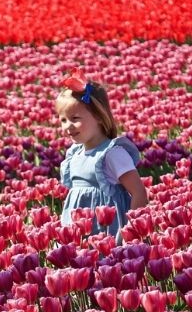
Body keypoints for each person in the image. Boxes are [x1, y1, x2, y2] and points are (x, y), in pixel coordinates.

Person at [57, 69, 148, 239]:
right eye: (63, 119)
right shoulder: (74, 156)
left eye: (75, 118)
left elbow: (139, 193)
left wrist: (129, 233)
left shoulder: (112, 154)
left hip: (108, 234)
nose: (67, 126)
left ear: (99, 116)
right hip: (78, 237)